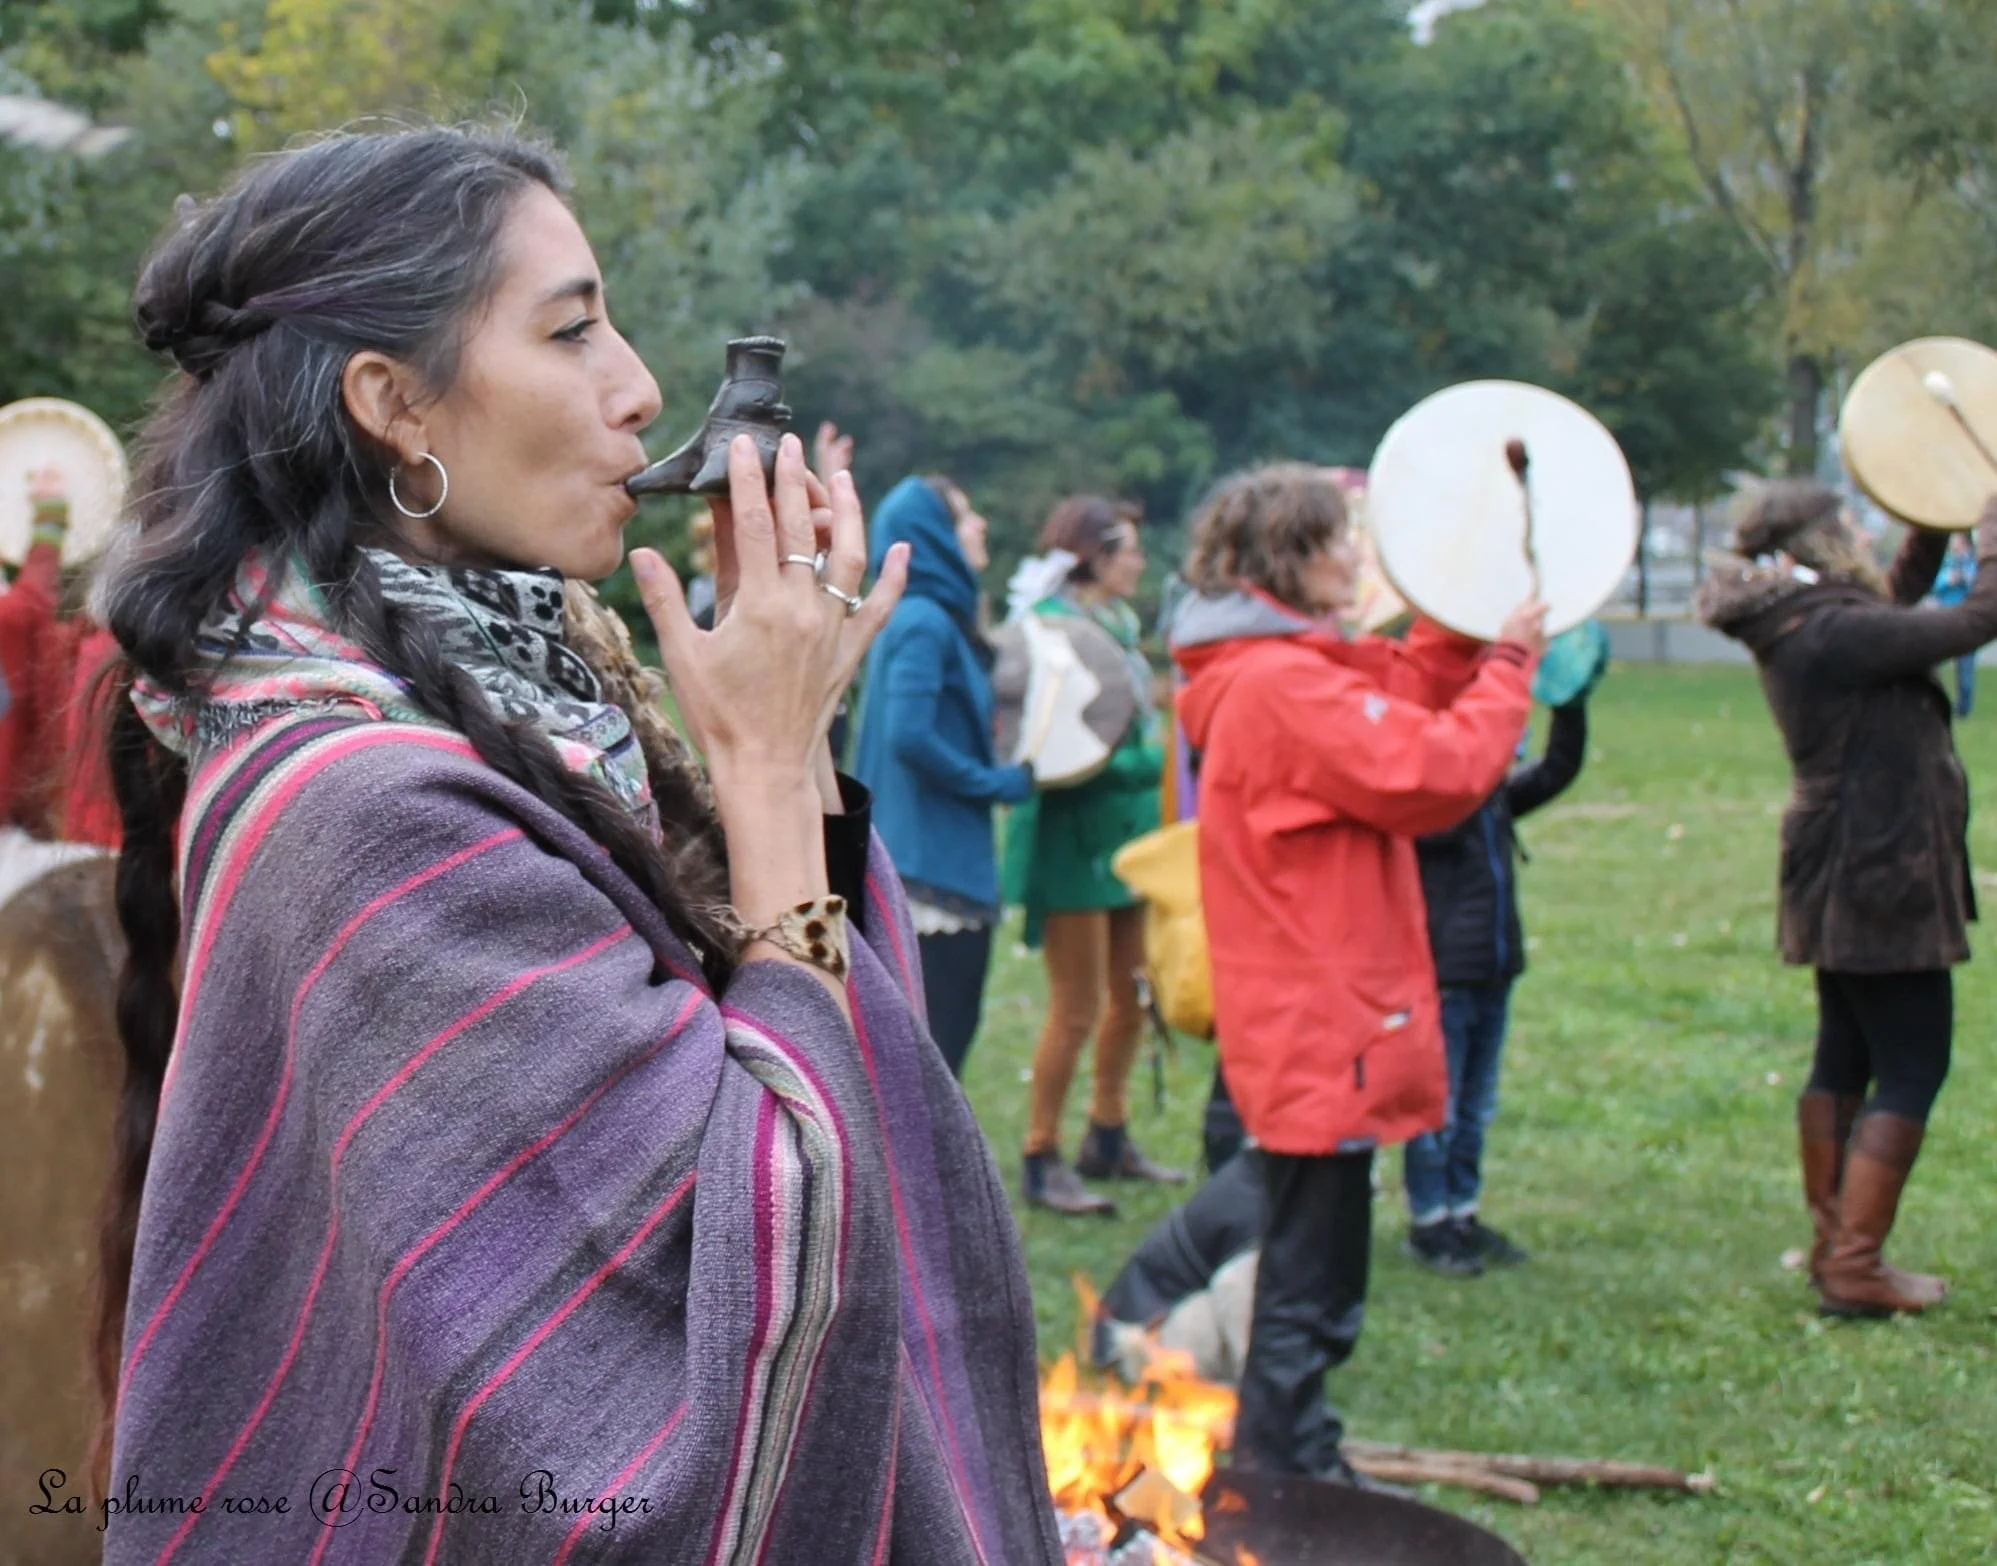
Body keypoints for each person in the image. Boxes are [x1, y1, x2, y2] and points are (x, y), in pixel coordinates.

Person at [93, 127, 1062, 1563]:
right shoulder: (370, 815)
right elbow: (731, 1311)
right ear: (394, 405)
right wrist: (764, 764)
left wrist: (787, 747)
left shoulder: (517, 703)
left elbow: (788, 1076)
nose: (642, 386)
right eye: (571, 330)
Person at [1168, 462, 1543, 1485]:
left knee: (1309, 1242)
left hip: (1310, 1012)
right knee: (1312, 1266)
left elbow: (1396, 691)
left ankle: (1285, 1447)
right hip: (1318, 1017)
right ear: (1287, 558)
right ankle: (1288, 1470)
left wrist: (1461, 632)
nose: (1355, 555)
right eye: (1338, 538)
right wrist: (1511, 665)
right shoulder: (1280, 683)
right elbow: (1432, 769)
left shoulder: (1279, 667)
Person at [1698, 483, 1997, 1318]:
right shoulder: (1834, 631)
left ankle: (1836, 1249)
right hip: (1877, 868)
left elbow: (1893, 598)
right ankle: (1854, 1265)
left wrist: (1929, 509)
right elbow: (1975, 620)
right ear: (1820, 542)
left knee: (1846, 1055)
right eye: (1852, 526)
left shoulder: (1808, 619)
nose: (1864, 536)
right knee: (1912, 1062)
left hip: (1849, 864)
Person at [1005, 496, 1180, 1215]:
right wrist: (1155, 763)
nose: (1139, 560)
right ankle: (1040, 1151)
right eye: (1128, 549)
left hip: (1129, 840)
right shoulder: (1052, 630)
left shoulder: (1118, 624)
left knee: (1135, 993)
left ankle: (1107, 1133)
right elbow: (1065, 747)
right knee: (1076, 1006)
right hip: (1073, 843)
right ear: (1095, 557)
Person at [852, 474, 1033, 1076]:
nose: (979, 525)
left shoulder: (915, 615)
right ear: (932, 535)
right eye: (963, 515)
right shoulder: (925, 620)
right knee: (936, 1062)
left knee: (926, 1061)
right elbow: (909, 735)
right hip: (930, 867)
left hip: (921, 855)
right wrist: (995, 783)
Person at [1402, 695, 1589, 1276]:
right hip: (1446, 974)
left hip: (1494, 967)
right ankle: (1430, 1221)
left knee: (1476, 1104)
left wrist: (1572, 704)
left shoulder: (1491, 799)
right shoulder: (1430, 807)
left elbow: (1557, 770)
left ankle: (1463, 1210)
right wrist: (1483, 754)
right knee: (1439, 1106)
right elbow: (1443, 816)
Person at [1933, 533, 1978, 718]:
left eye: (1956, 540)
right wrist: (1948, 580)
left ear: (1965, 542)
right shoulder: (1947, 562)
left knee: (1965, 667)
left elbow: (1979, 587)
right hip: (1944, 618)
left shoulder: (1974, 563)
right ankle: (1936, 704)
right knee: (1935, 663)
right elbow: (1935, 586)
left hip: (1966, 621)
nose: (1953, 544)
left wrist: (1964, 578)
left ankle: (1963, 709)